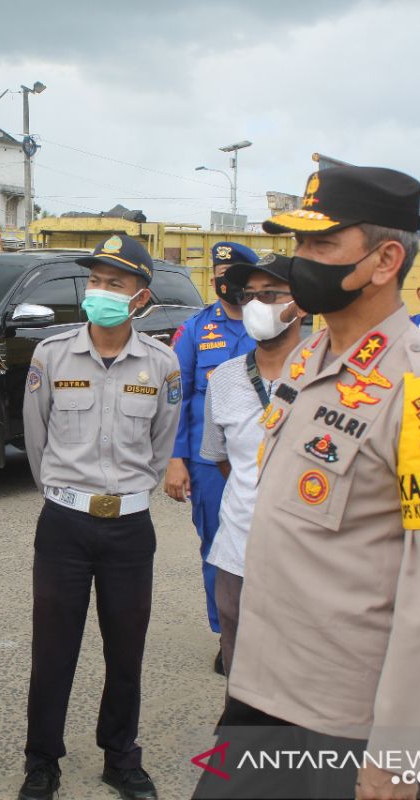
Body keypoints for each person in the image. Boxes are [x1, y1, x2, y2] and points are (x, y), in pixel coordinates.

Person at [193, 165, 420, 800]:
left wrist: (400, 753)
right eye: (298, 244)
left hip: (345, 719)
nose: (301, 262)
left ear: (385, 260)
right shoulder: (308, 357)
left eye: (321, 245)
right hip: (263, 686)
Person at [18, 233, 182, 800]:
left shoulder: (161, 363)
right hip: (64, 525)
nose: (101, 291)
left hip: (131, 530)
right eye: (95, 281)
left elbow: (162, 445)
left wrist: (131, 491)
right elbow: (35, 438)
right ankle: (42, 761)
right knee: (53, 650)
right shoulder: (51, 354)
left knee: (126, 651)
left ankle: (120, 756)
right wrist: (65, 492)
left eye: (115, 283)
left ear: (141, 296)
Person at [197, 254, 305, 673]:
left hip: (307, 564)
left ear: (301, 305)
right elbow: (224, 460)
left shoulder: (333, 376)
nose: (257, 305)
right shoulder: (222, 379)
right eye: (249, 296)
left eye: (271, 294)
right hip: (237, 557)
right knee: (241, 684)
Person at [164, 241, 258, 673]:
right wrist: (176, 458)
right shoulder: (196, 329)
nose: (225, 278)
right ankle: (228, 635)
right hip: (209, 463)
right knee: (218, 548)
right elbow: (176, 396)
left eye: (234, 271)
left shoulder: (269, 324)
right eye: (219, 271)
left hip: (263, 460)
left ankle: (266, 631)